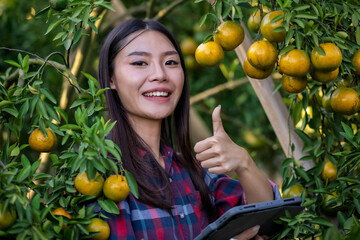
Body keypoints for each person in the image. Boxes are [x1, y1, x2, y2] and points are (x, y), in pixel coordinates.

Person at [97, 18, 281, 240]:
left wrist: (244, 163)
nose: (160, 74)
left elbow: (266, 223)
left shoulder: (193, 172)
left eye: (171, 62)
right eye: (139, 63)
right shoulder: (99, 175)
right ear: (111, 78)